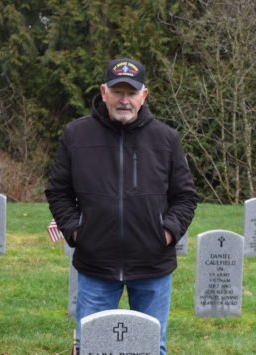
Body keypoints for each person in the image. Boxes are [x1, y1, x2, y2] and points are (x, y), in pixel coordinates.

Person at [45, 58, 198, 355]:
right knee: (92, 348)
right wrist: (77, 232)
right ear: (103, 92)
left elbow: (185, 197)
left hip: (153, 265)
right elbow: (58, 191)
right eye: (117, 92)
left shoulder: (166, 139)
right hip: (95, 266)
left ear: (144, 95)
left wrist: (166, 232)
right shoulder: (76, 135)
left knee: (152, 348)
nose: (124, 100)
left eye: (131, 92)